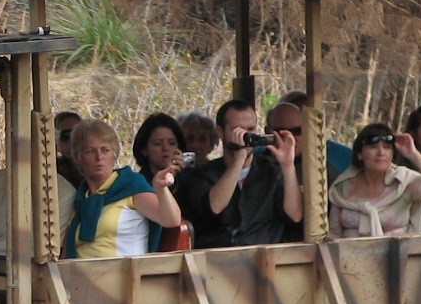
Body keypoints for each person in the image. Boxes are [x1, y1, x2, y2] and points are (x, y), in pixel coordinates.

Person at [174, 99, 302, 249]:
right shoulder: (202, 173)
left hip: (265, 259)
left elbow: (295, 215)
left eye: (251, 129)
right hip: (217, 262)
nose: (245, 136)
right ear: (220, 132)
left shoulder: (272, 170)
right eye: (237, 130)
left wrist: (287, 166)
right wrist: (238, 161)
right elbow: (214, 207)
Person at [64, 119, 181, 258]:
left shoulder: (131, 185)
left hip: (125, 276)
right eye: (90, 151)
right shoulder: (81, 198)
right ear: (79, 157)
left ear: (114, 155)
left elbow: (171, 220)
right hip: (78, 276)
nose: (99, 157)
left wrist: (161, 190)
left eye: (105, 150)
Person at [329, 123, 421, 238]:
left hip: (398, 256)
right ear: (359, 154)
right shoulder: (343, 186)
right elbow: (334, 233)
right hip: (349, 256)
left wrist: (413, 153)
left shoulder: (404, 181)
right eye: (373, 147)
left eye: (387, 148)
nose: (381, 152)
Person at [132, 113, 187, 180]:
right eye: (158, 143)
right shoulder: (136, 184)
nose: (165, 148)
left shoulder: (191, 180)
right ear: (144, 150)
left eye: (172, 143)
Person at [54, 110, 82, 189]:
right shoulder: (51, 170)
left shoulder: (98, 165)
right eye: (66, 135)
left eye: (79, 133)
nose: (74, 140)